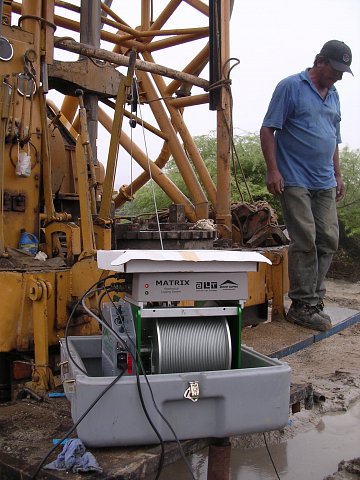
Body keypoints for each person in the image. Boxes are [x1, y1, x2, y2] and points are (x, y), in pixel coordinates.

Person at [260, 40, 353, 332]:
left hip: (324, 179)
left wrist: (338, 174)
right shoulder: (290, 86)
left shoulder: (335, 94)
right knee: (306, 239)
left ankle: (312, 301)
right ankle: (302, 304)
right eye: (335, 69)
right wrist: (273, 170)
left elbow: (333, 138)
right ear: (320, 61)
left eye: (342, 71)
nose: (338, 76)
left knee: (328, 239)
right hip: (294, 178)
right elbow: (268, 128)